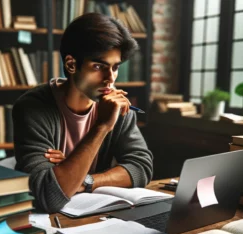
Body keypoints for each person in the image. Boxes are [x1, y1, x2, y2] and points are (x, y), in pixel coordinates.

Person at [13, 13, 153, 213]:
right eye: (99, 66)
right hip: (45, 222)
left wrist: (83, 179)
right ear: (71, 64)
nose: (110, 79)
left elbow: (141, 168)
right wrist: (102, 127)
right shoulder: (32, 107)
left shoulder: (119, 106)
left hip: (94, 214)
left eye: (115, 67)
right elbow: (49, 194)